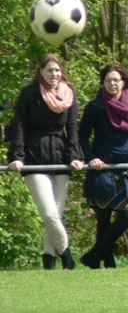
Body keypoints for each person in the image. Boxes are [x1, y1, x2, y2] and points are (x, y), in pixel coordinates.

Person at [7, 54, 84, 270]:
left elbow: (72, 128)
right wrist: (17, 156)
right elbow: (19, 125)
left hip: (61, 159)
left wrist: (75, 156)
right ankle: (67, 258)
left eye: (57, 70)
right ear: (41, 71)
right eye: (49, 70)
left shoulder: (69, 93)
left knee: (56, 215)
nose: (54, 74)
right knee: (49, 215)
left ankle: (48, 261)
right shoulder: (29, 94)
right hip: (34, 159)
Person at [78, 64, 128, 269]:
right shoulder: (95, 107)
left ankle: (93, 255)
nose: (112, 84)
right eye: (108, 80)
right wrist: (91, 158)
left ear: (123, 82)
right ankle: (107, 263)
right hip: (101, 167)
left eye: (116, 80)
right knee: (103, 219)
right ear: (103, 83)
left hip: (126, 167)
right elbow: (82, 138)